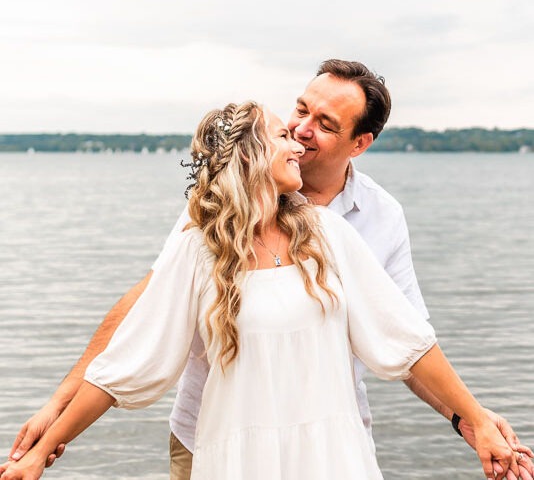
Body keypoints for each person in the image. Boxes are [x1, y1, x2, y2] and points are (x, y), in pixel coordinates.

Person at [5, 61, 533, 479]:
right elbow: (139, 340)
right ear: (253, 154)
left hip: (330, 444)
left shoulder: (344, 229)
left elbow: (407, 341)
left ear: (359, 143)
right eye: (295, 116)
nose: (300, 134)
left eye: (324, 125)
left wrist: (475, 422)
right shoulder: (202, 236)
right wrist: (54, 425)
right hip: (221, 443)